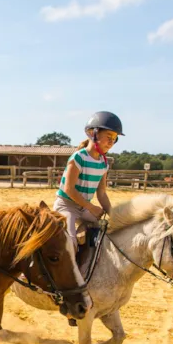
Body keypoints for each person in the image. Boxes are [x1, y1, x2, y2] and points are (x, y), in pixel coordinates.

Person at [53, 111, 124, 277]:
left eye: (114, 138)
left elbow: (102, 193)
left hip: (84, 207)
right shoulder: (79, 158)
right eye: (108, 136)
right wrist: (91, 207)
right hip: (67, 205)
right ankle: (65, 278)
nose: (111, 142)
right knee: (69, 242)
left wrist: (114, 216)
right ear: (93, 133)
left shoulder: (104, 162)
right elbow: (69, 190)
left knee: (106, 230)